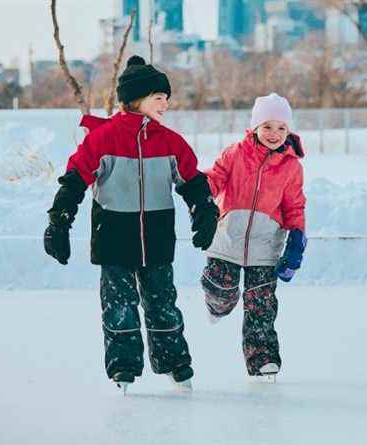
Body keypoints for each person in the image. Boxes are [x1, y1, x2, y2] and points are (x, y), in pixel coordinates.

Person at [44, 55, 219, 391]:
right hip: (113, 239)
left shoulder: (170, 142)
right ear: (137, 99)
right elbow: (74, 181)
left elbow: (192, 181)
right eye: (159, 97)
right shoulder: (103, 139)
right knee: (119, 307)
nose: (166, 104)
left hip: (157, 239)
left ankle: (174, 363)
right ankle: (123, 366)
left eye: (167, 98)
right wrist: (60, 221)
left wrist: (205, 210)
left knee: (163, 305)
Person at [201, 92, 307, 379]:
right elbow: (215, 177)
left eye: (281, 128)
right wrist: (200, 191)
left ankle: (262, 359)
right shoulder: (235, 154)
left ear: (289, 131)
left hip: (265, 247)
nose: (274, 134)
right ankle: (217, 305)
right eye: (268, 126)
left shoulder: (292, 167)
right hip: (226, 240)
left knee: (261, 306)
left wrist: (297, 239)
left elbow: (294, 205)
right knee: (220, 288)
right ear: (255, 127)